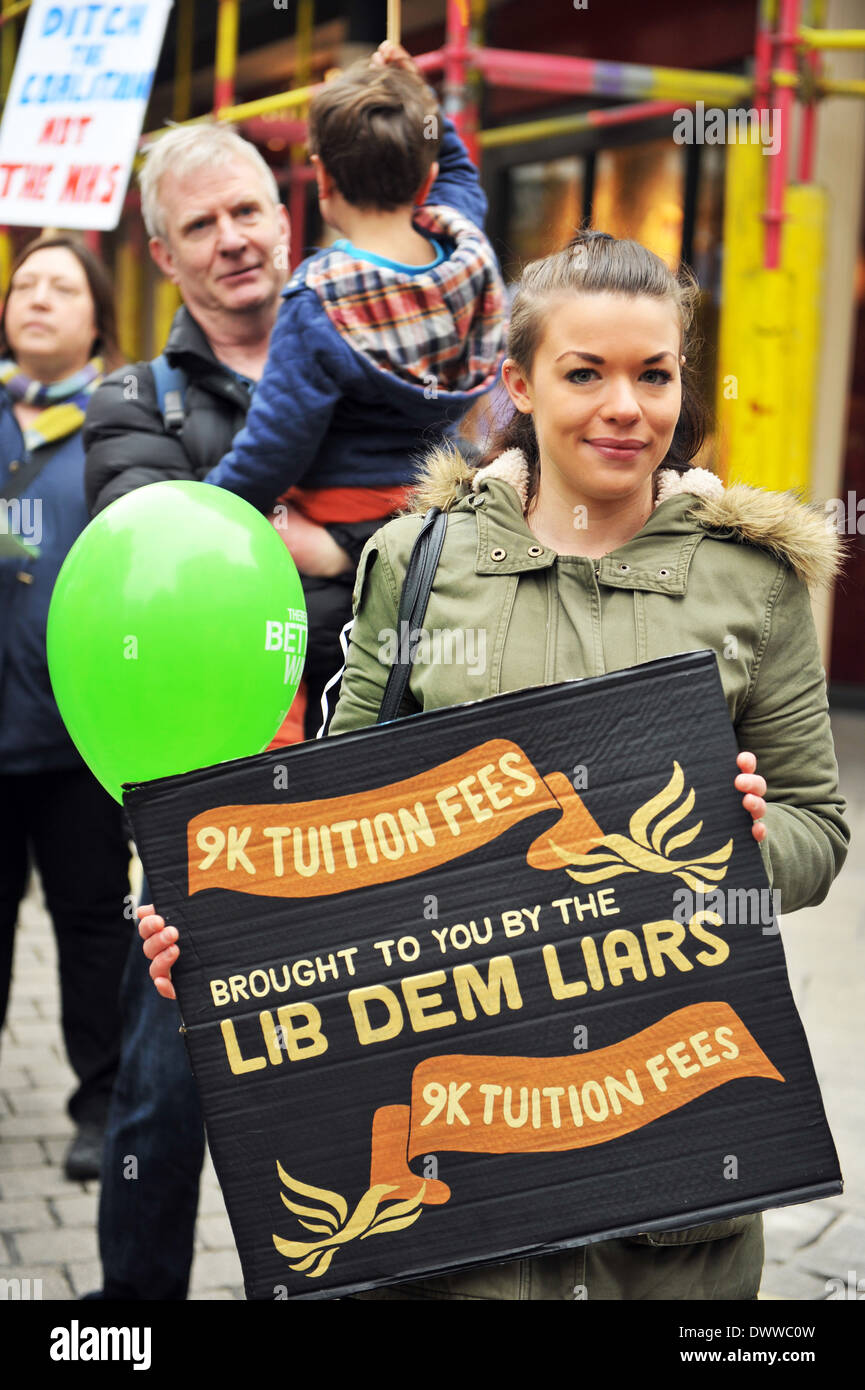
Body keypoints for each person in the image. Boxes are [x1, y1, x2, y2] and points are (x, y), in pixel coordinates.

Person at [142, 231, 849, 1300]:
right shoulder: (420, 561)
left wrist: (744, 850)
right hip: (458, 1172)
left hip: (665, 1154)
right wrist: (220, 939)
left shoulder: (750, 582)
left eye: (654, 374)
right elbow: (338, 821)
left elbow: (815, 825)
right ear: (518, 382)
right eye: (585, 372)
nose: (626, 405)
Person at [81, 120, 291, 1300]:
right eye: (199, 225)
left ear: (285, 215)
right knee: (163, 1103)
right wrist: (308, 539)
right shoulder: (130, 399)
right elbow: (164, 581)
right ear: (164, 256)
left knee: (334, 1097)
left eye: (246, 211)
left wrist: (294, 536)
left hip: (369, 789)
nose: (231, 241)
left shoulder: (373, 365)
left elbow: (439, 552)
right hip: (203, 814)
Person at [203, 40, 505, 738]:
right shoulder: (465, 254)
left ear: (321, 178)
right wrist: (416, 95)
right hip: (433, 507)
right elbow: (455, 170)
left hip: (334, 524)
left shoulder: (317, 303)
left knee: (281, 667)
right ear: (424, 177)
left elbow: (272, 449)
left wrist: (208, 505)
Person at [0, 234, 131, 1181]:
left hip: (80, 735)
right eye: (24, 284)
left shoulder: (117, 427)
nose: (37, 298)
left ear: (97, 318)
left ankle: (102, 1103)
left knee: (90, 925)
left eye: (61, 286)